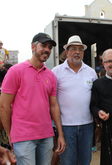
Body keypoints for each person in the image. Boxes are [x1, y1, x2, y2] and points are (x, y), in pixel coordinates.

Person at [0, 33, 66, 165]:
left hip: (46, 136)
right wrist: (10, 135)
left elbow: (54, 106)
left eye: (49, 47)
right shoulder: (15, 71)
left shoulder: (50, 75)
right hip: (23, 137)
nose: (47, 50)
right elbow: (4, 106)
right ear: (33, 47)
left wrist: (60, 134)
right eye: (43, 45)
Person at [52, 35, 97, 165]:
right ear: (67, 52)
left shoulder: (90, 72)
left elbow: (95, 99)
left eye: (80, 49)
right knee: (67, 161)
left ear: (83, 53)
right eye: (73, 49)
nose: (77, 52)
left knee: (85, 161)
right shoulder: (56, 71)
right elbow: (52, 100)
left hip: (87, 126)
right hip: (66, 127)